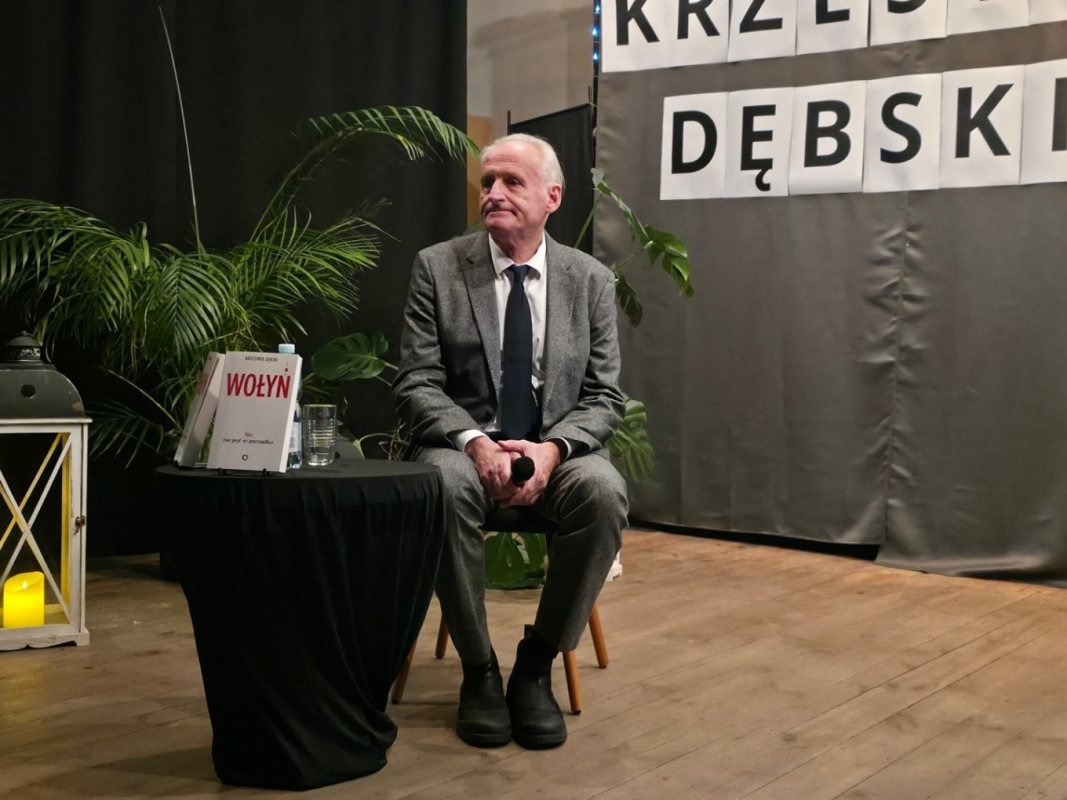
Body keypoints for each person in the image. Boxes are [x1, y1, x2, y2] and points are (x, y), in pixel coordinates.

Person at [393, 133, 628, 750]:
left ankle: (536, 663)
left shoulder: (590, 280)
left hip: (556, 452)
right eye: (488, 181)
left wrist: (552, 451)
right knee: (441, 485)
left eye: (511, 181)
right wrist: (477, 444)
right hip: (462, 446)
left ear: (553, 197)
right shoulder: (439, 267)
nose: (493, 192)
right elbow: (417, 382)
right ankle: (479, 669)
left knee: (603, 493)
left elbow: (605, 396)